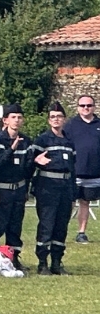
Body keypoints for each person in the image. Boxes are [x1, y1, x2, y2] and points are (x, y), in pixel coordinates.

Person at [32, 104, 75, 274]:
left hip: (65, 187)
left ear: (64, 119)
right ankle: (42, 262)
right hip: (47, 188)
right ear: (49, 120)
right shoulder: (42, 140)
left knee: (61, 225)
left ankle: (57, 261)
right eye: (52, 116)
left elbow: (73, 168)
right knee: (46, 225)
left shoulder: (69, 142)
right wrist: (36, 161)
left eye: (59, 116)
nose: (56, 119)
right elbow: (31, 162)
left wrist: (73, 193)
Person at [0, 108, 31, 265]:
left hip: (18, 189)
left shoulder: (26, 140)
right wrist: (12, 149)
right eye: (13, 117)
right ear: (5, 120)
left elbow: (28, 168)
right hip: (0, 189)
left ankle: (13, 257)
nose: (16, 120)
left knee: (15, 226)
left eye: (19, 117)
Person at [66, 94, 100, 242]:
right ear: (78, 107)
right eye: (82, 106)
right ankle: (61, 231)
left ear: (94, 107)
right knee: (69, 203)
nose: (86, 108)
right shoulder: (70, 125)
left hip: (94, 172)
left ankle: (81, 233)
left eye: (89, 105)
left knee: (85, 202)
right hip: (74, 171)